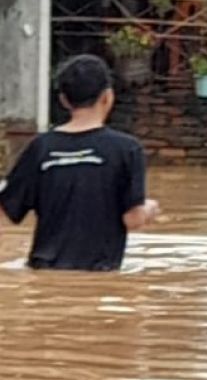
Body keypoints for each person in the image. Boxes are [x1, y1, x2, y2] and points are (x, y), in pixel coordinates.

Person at [0, 54, 159, 271]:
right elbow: (133, 219)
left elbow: (6, 209)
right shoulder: (127, 149)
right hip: (99, 275)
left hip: (44, 271)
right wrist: (149, 208)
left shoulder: (41, 147)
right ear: (107, 96)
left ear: (64, 100)